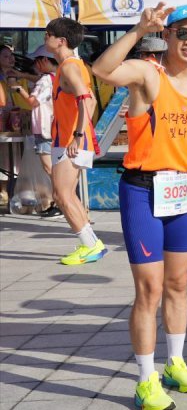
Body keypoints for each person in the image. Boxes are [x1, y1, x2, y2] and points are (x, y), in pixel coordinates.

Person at [94, 4, 187, 410]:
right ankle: (146, 379)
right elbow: (102, 69)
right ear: (167, 35)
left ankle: (175, 365)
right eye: (183, 33)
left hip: (180, 192)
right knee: (149, 290)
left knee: (179, 284)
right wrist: (137, 29)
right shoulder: (149, 73)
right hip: (143, 190)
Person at [44, 18, 104, 265]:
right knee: (67, 193)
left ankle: (89, 246)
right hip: (70, 139)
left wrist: (77, 137)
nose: (44, 38)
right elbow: (87, 101)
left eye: (47, 34)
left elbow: (86, 99)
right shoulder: (70, 65)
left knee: (61, 195)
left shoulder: (69, 66)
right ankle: (92, 244)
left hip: (72, 140)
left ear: (61, 41)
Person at [9, 45, 58, 216]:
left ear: (44, 60)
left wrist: (17, 88)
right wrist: (22, 76)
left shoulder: (46, 80)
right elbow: (37, 78)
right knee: (52, 167)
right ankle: (57, 200)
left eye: (36, 61)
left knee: (49, 167)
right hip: (51, 126)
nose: (35, 65)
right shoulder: (54, 76)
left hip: (44, 129)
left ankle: (58, 202)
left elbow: (32, 102)